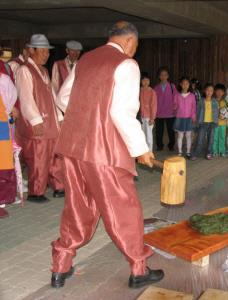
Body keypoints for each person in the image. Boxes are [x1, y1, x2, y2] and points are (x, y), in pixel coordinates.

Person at [52, 21, 164, 289]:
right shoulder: (126, 64)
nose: (133, 52)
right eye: (135, 47)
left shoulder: (85, 60)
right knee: (123, 209)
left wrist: (88, 114)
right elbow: (121, 113)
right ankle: (139, 268)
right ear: (129, 42)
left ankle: (60, 266)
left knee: (76, 209)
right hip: (104, 152)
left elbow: (63, 98)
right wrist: (142, 150)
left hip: (73, 149)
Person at [16, 34, 65, 203]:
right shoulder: (24, 70)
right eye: (42, 51)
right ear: (31, 50)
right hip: (38, 123)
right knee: (39, 157)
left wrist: (59, 116)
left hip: (51, 123)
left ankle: (59, 186)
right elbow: (26, 98)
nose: (46, 55)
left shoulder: (44, 70)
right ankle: (35, 192)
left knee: (55, 156)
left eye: (47, 52)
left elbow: (51, 96)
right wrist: (35, 120)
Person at [0, 73, 18, 218]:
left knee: (3, 162)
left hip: (1, 124)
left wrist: (7, 110)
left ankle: (1, 201)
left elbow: (12, 95)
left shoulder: (3, 79)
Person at [191, 83, 218, 160]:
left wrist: (216, 122)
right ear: (204, 91)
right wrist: (196, 123)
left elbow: (216, 113)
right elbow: (197, 112)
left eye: (211, 91)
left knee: (211, 140)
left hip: (212, 123)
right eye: (208, 90)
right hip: (203, 123)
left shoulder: (215, 101)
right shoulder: (201, 101)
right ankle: (195, 153)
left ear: (213, 92)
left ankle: (209, 153)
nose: (209, 92)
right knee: (199, 139)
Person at [154, 67, 177, 151]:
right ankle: (159, 146)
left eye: (165, 75)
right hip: (159, 113)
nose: (163, 76)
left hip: (170, 113)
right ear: (159, 77)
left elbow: (176, 98)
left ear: (168, 76)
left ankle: (171, 146)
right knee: (159, 131)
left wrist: (175, 108)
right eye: (161, 75)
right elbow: (154, 101)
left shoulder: (172, 86)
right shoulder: (156, 88)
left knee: (171, 131)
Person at [173, 76, 196, 158]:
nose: (185, 85)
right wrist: (175, 108)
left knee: (188, 136)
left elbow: (194, 107)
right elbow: (174, 106)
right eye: (183, 84)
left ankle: (188, 151)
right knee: (180, 136)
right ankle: (179, 152)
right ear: (180, 84)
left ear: (189, 85)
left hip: (189, 118)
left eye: (187, 84)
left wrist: (193, 116)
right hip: (180, 118)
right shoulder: (177, 95)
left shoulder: (192, 96)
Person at [139, 72, 157, 151]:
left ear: (150, 81)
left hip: (149, 117)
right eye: (143, 80)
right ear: (140, 81)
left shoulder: (152, 92)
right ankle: (143, 153)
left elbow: (154, 105)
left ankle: (149, 153)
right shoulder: (138, 91)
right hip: (140, 117)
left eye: (147, 80)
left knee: (149, 137)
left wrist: (152, 118)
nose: (145, 82)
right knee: (141, 136)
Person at [212, 83, 228, 157]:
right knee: (214, 137)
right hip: (215, 123)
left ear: (223, 93)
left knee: (222, 137)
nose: (219, 93)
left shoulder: (225, 102)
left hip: (223, 123)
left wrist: (226, 116)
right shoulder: (212, 101)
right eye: (217, 91)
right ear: (215, 92)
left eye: (221, 91)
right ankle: (214, 151)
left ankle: (222, 151)